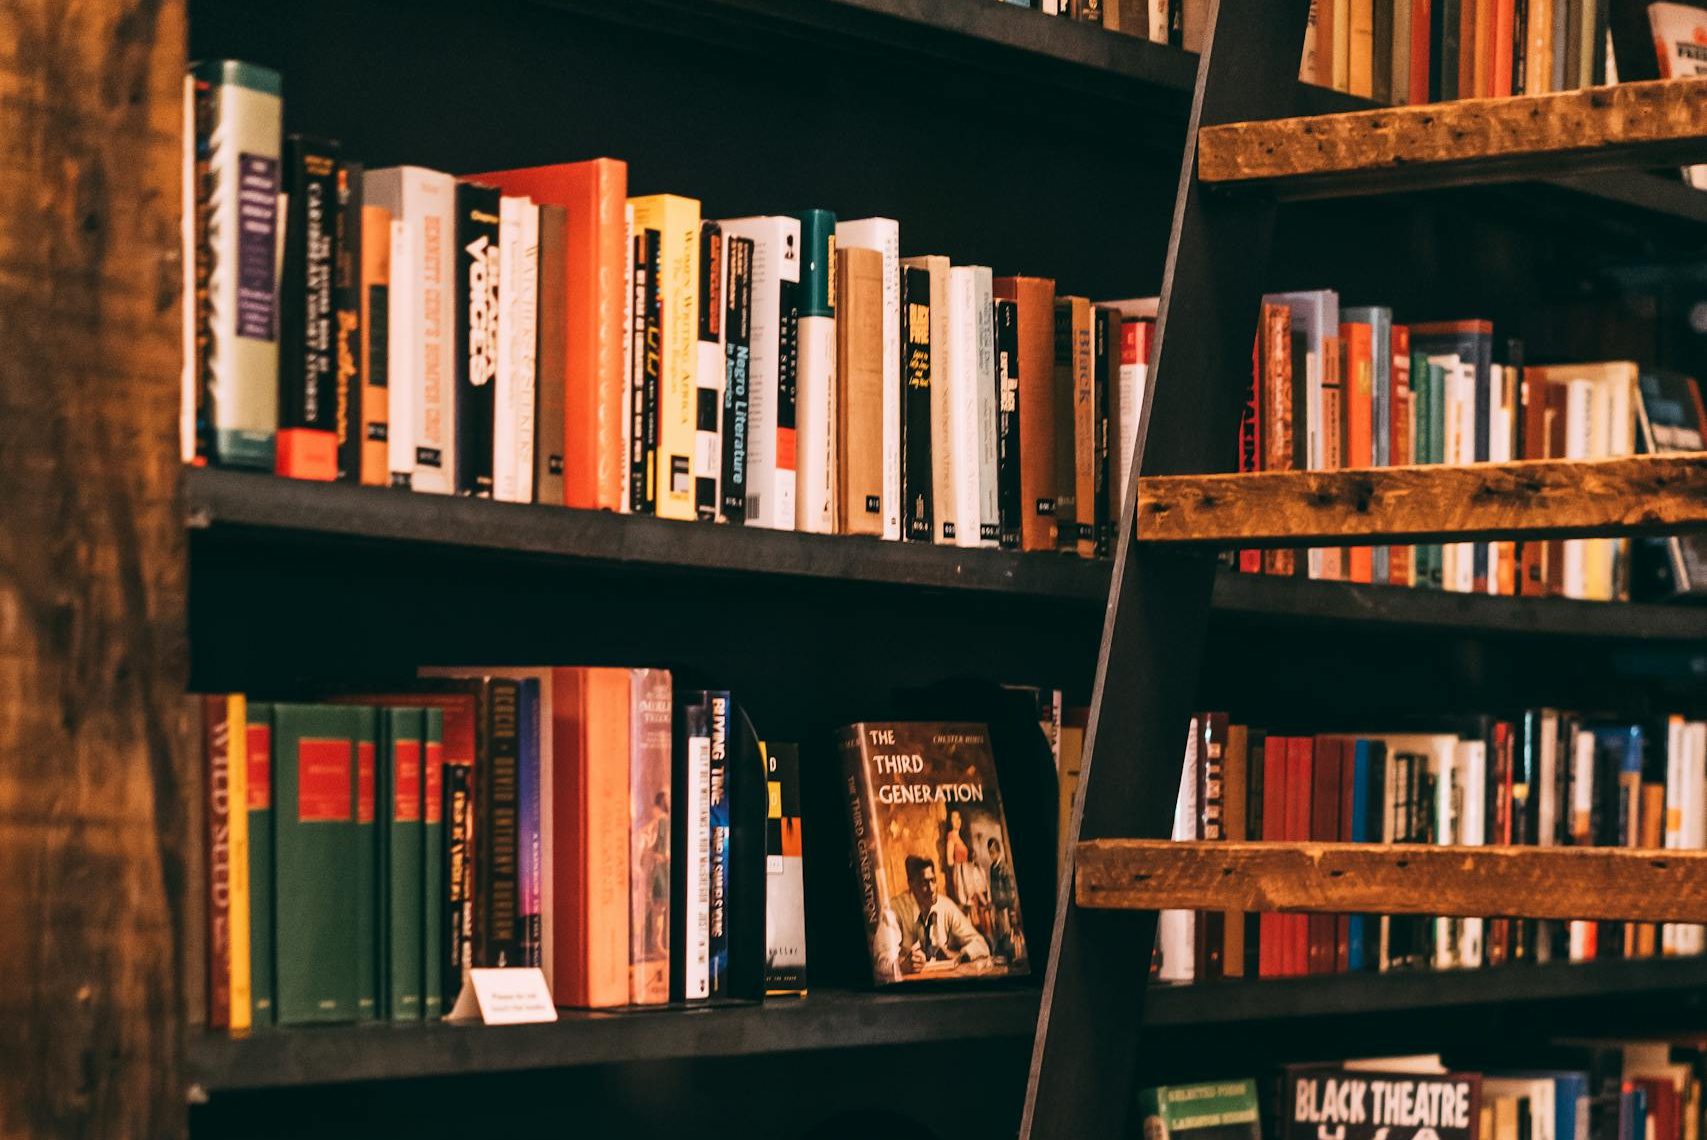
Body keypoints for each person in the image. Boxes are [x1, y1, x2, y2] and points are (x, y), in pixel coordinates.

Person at [875, 854, 989, 978]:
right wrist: (901, 965)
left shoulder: (946, 906)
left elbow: (980, 943)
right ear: (911, 884)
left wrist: (962, 955)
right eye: (924, 883)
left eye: (933, 880)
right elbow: (881, 960)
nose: (931, 889)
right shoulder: (894, 910)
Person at [987, 836, 1018, 960]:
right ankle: (1004, 956)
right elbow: (992, 887)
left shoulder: (1004, 867)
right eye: (990, 853)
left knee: (1007, 932)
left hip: (1005, 906)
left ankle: (1011, 957)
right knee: (998, 931)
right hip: (997, 905)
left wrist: (1011, 908)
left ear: (998, 851)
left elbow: (1010, 889)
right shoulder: (992, 868)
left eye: (993, 852)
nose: (991, 855)